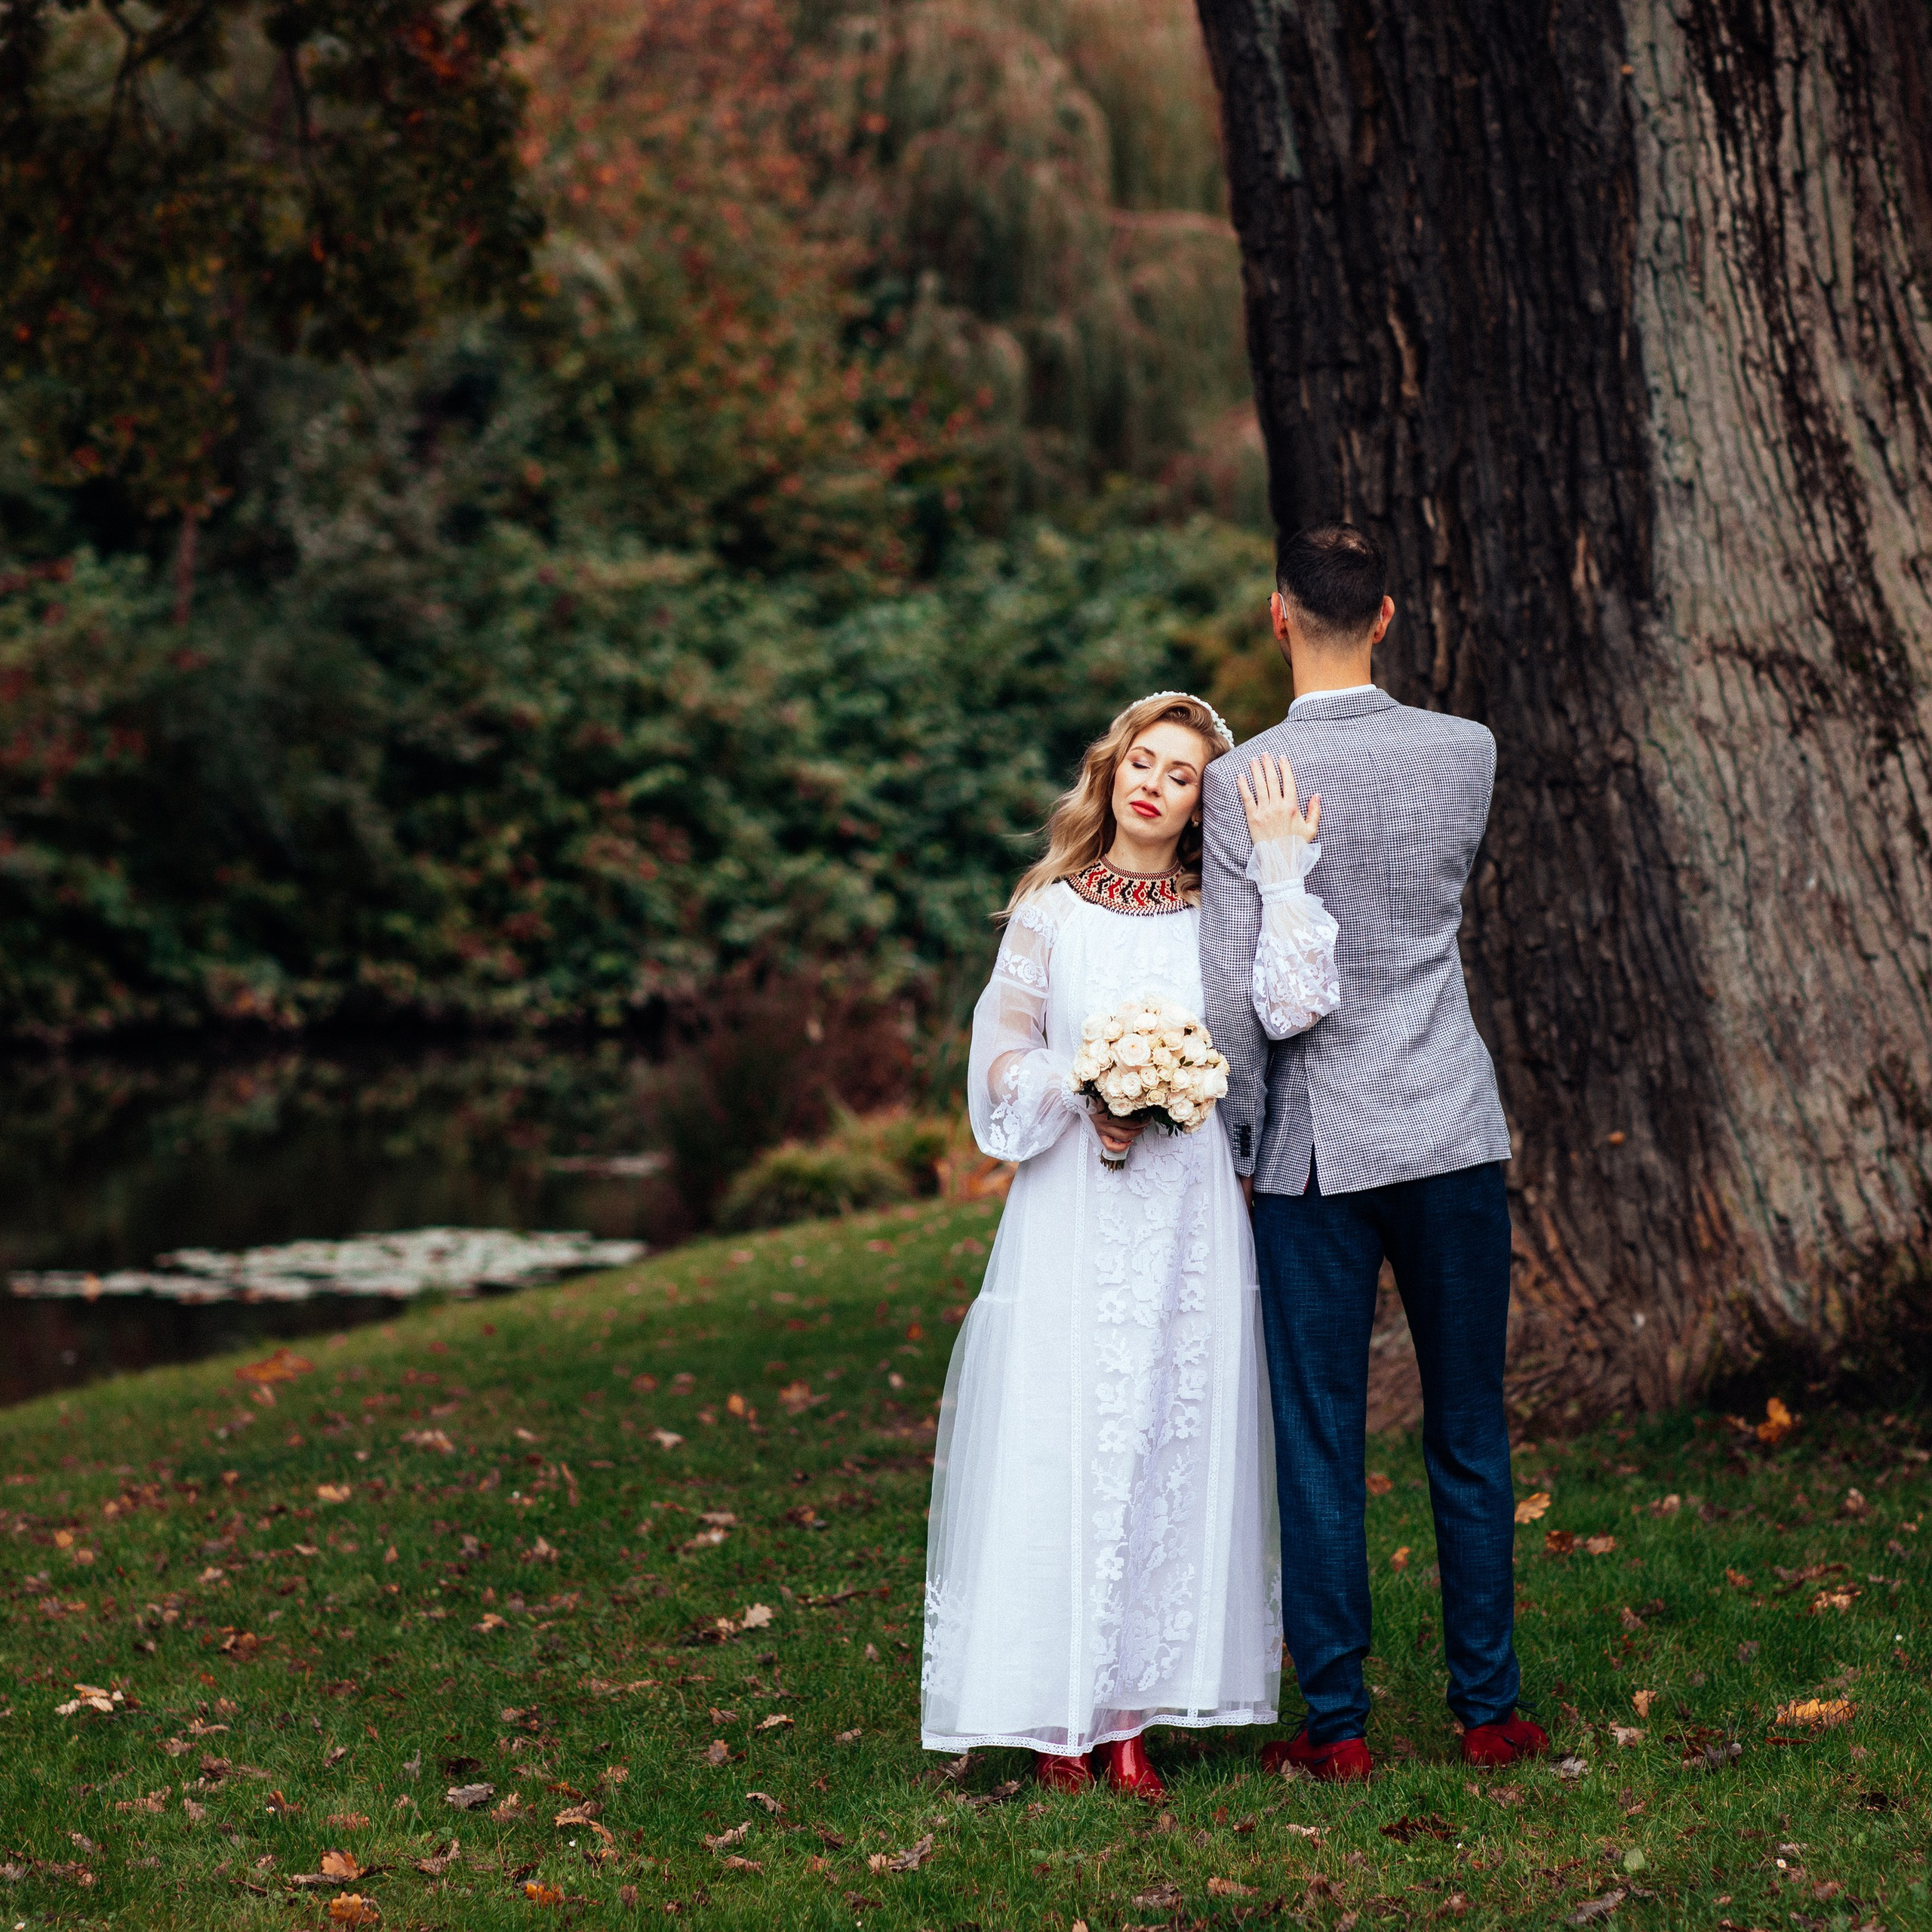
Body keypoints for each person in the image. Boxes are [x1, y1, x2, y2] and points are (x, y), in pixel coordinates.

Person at [920, 692, 1340, 1798]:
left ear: (1203, 801)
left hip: (1189, 1205)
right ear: (1110, 772)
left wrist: (1286, 877)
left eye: (1182, 773)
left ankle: (1130, 1719)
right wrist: (1083, 1087)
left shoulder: (1219, 911)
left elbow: (1285, 1014)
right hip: (1075, 1202)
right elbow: (1002, 1058)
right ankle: (1058, 1714)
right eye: (1142, 762)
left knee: (1168, 1435)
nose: (1155, 783)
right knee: (1073, 1431)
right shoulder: (1051, 913)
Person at [1199, 521, 1547, 1781]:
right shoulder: (1467, 751)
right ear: (1388, 616)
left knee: (1321, 1434)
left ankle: (1339, 1729)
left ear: (1277, 614)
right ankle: (1488, 1712)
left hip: (1312, 1153)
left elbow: (1237, 1001)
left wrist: (1235, 1139)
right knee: (1468, 1426)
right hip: (1451, 1123)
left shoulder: (1249, 784)